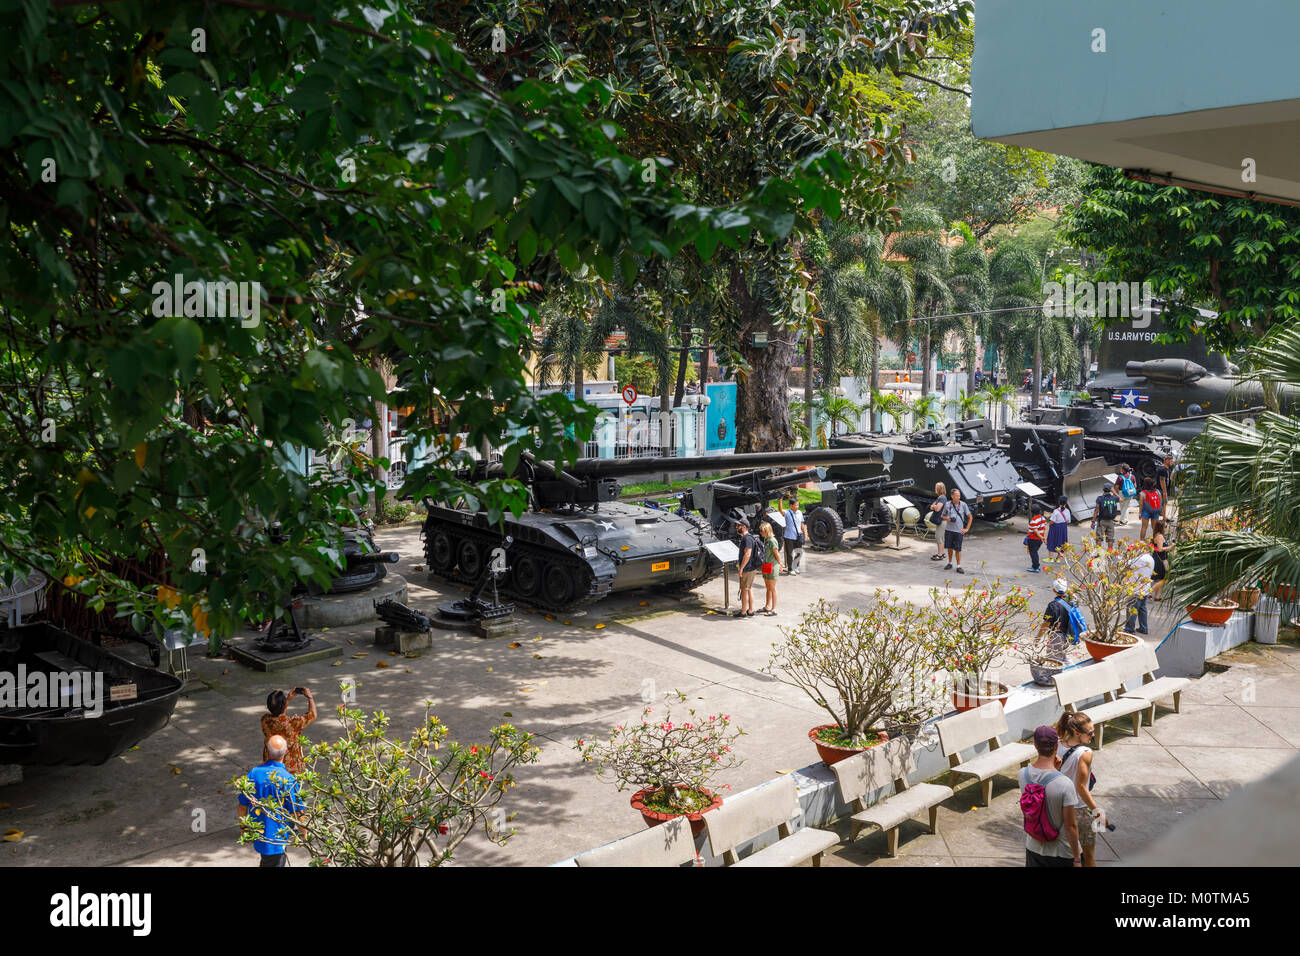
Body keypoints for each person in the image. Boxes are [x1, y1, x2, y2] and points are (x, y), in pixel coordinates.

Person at [1019, 725, 1081, 867]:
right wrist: (1077, 858)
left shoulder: (1023, 774)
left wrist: (1056, 770)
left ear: (1035, 745)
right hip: (1061, 852)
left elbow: (1040, 790)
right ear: (1056, 747)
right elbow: (1070, 826)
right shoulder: (1065, 784)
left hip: (1033, 848)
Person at [237, 735, 304, 867]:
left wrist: (244, 829)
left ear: (266, 751)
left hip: (260, 835)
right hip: (277, 840)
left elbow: (242, 806)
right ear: (286, 752)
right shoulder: (288, 779)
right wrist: (304, 833)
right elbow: (296, 813)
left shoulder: (253, 774)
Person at [1055, 713, 1104, 868]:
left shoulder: (1056, 744)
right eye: (1090, 733)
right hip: (1079, 809)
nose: (1093, 735)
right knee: (1088, 857)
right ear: (1077, 733)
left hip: (1059, 807)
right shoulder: (1085, 753)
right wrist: (1097, 811)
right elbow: (1081, 787)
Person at [262, 686, 317, 775]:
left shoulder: (265, 720)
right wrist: (310, 697)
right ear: (283, 705)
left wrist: (286, 701)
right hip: (291, 769)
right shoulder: (292, 723)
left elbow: (278, 715)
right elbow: (313, 715)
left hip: (270, 765)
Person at [941, 487, 973, 574]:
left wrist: (967, 529)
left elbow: (970, 517)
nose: (958, 497)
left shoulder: (963, 505)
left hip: (959, 531)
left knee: (958, 549)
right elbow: (942, 516)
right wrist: (947, 519)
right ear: (952, 496)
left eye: (959, 496)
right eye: (956, 496)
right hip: (949, 530)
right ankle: (950, 563)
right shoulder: (947, 504)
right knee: (949, 548)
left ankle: (959, 566)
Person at [733, 518, 759, 618]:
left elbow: (747, 554)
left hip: (747, 569)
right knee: (748, 589)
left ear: (744, 527)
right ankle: (750, 610)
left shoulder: (746, 538)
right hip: (751, 568)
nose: (737, 527)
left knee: (744, 590)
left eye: (738, 526)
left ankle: (743, 612)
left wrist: (741, 568)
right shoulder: (751, 537)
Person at [1126, 547, 1156, 634]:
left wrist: (1129, 556)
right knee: (1142, 608)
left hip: (1137, 588)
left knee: (1132, 608)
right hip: (1145, 588)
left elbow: (1126, 564)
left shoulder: (1140, 559)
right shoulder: (1150, 558)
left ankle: (1129, 628)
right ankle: (1144, 627)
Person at [759, 521, 784, 616]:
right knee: (768, 588)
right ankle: (767, 606)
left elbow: (776, 554)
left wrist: (780, 564)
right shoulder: (766, 540)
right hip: (766, 565)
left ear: (767, 531)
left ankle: (774, 609)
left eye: (762, 531)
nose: (761, 533)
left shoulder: (772, 541)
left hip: (772, 566)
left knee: (772, 588)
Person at [779, 495, 807, 574]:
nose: (797, 506)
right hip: (789, 536)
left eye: (798, 505)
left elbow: (802, 524)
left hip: (798, 536)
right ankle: (790, 569)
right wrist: (780, 500)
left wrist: (805, 534)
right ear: (791, 506)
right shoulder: (787, 513)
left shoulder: (800, 513)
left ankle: (795, 567)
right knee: (790, 553)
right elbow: (780, 510)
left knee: (799, 552)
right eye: (796, 505)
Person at [1090, 482, 1120, 548]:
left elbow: (1096, 510)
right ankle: (1109, 555)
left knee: (1099, 538)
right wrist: (1114, 492)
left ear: (1103, 489)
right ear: (1110, 490)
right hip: (1111, 521)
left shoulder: (1099, 498)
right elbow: (1121, 499)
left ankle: (1099, 554)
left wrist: (1093, 520)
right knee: (1110, 539)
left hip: (1102, 521)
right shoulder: (1114, 498)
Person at [1149, 519, 1170, 599]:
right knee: (1165, 579)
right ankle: (1149, 591)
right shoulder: (1160, 536)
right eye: (1165, 527)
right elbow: (1160, 549)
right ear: (1161, 527)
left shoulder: (1156, 534)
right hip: (1161, 559)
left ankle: (1157, 596)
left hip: (1159, 558)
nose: (1166, 528)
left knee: (1160, 579)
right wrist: (1170, 547)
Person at [928, 482, 947, 561]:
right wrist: (933, 506)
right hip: (942, 520)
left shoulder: (942, 498)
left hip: (941, 521)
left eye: (936, 488)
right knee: (941, 537)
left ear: (939, 489)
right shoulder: (941, 497)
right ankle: (942, 553)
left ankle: (940, 555)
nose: (935, 489)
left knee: (938, 537)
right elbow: (933, 506)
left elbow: (937, 508)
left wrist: (933, 506)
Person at [1025, 503, 1047, 573]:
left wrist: (1041, 537)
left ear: (1032, 512)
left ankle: (1036, 567)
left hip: (1033, 539)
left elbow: (1035, 531)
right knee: (1035, 552)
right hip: (1039, 540)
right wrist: (1043, 537)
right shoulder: (1043, 518)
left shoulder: (1033, 521)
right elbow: (1045, 528)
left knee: (1033, 553)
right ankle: (1035, 565)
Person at [1156, 454, 1175, 518]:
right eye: (1171, 461)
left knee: (1164, 503)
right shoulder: (1163, 469)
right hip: (1161, 489)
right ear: (1167, 461)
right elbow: (1162, 480)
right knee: (1164, 504)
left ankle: (1163, 516)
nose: (1172, 463)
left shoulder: (1164, 468)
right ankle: (1164, 518)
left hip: (1161, 489)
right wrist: (1164, 492)